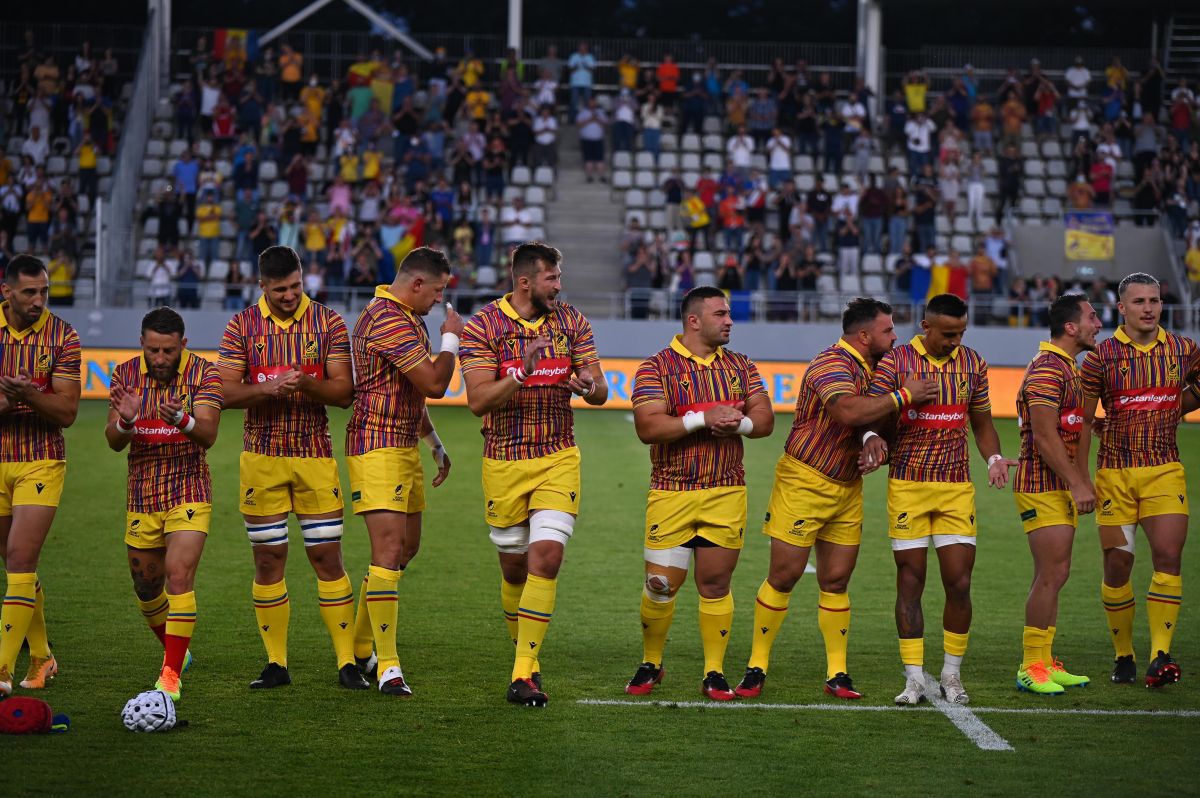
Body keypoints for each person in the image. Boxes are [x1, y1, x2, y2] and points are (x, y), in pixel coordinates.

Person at [733, 298, 935, 700]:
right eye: (887, 330)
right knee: (785, 575)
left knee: (837, 580)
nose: (895, 337)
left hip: (847, 485)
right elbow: (845, 410)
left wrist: (875, 441)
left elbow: (869, 422)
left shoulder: (877, 370)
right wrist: (903, 397)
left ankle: (837, 673)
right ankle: (756, 666)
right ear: (864, 335)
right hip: (804, 481)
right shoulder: (831, 363)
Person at [458, 242, 609, 707]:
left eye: (559, 278)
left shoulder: (572, 321)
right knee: (514, 567)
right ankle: (526, 652)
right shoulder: (483, 326)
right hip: (503, 459)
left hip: (558, 455)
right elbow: (479, 401)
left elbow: (601, 389)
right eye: (551, 279)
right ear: (525, 282)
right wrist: (521, 372)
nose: (559, 287)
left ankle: (523, 673)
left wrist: (590, 386)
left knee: (547, 557)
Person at [216, 245, 367, 691]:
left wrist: (307, 384)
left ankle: (346, 664)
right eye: (280, 288)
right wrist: (270, 390)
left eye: (296, 286)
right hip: (260, 457)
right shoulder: (241, 325)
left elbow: (343, 392)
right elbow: (223, 393)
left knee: (326, 557)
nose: (289, 295)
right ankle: (276, 664)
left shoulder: (328, 321)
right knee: (268, 559)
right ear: (261, 285)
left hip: (314, 456)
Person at [862, 293, 1016, 706]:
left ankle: (951, 675)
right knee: (910, 582)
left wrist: (995, 458)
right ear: (925, 327)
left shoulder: (973, 363)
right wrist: (873, 436)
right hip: (908, 484)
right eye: (948, 333)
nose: (955, 341)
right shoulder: (896, 363)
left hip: (955, 488)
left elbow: (982, 424)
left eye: (961, 332)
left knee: (959, 583)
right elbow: (875, 413)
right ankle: (914, 679)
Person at [624, 286, 774, 701]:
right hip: (672, 491)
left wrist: (738, 425)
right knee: (659, 586)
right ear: (694, 320)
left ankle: (714, 671)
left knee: (715, 584)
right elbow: (648, 428)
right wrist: (701, 419)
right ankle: (652, 661)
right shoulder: (656, 367)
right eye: (721, 314)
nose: (729, 321)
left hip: (726, 490)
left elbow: (763, 419)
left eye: (729, 314)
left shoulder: (741, 365)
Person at [345, 247, 463, 696]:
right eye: (437, 291)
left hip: (401, 446)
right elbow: (435, 382)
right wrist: (451, 338)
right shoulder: (388, 319)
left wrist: (434, 444)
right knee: (389, 552)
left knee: (405, 550)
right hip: (376, 445)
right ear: (416, 284)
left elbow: (410, 393)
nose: (439, 301)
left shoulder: (405, 315)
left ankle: (358, 649)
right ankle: (387, 665)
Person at [1079, 272, 1200, 687]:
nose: (1148, 308)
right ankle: (1124, 654)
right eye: (1139, 302)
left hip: (1165, 470)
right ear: (1122, 308)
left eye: (1155, 300)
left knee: (1168, 556)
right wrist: (1080, 477)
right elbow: (1081, 418)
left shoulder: (1184, 349)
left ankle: (1159, 655)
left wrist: (1172, 409)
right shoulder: (1101, 356)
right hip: (1114, 474)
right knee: (1118, 564)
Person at [105, 308, 223, 701]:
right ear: (142, 344)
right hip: (142, 492)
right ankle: (179, 651)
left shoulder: (204, 373)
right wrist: (124, 422)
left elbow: (208, 435)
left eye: (168, 351)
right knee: (146, 586)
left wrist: (184, 420)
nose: (160, 358)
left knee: (179, 576)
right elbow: (113, 440)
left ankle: (170, 675)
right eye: (153, 350)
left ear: (183, 346)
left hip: (188, 487)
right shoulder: (124, 375)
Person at [1011, 294, 1103, 695]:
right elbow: (1046, 436)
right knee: (1052, 574)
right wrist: (1076, 482)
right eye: (1092, 317)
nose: (1099, 324)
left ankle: (1045, 661)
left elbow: (1071, 429)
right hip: (1040, 483)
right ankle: (1031, 665)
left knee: (1055, 573)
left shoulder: (1067, 368)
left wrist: (1082, 475)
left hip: (1056, 483)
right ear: (1071, 327)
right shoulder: (1049, 369)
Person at [0, 255, 82, 697]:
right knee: (16, 568)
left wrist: (26, 393)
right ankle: (42, 656)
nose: (38, 300)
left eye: (44, 292)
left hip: (41, 458)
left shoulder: (63, 335)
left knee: (19, 560)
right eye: (29, 292)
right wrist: (19, 400)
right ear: (6, 290)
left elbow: (67, 412)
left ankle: (2, 670)